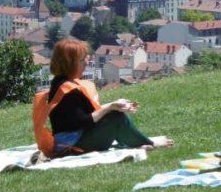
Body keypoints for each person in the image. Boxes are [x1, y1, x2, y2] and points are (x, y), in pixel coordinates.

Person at [31, 39, 172, 158]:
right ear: (69, 63)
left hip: (71, 141)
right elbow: (84, 121)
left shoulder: (61, 82)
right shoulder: (67, 89)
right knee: (116, 118)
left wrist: (115, 106)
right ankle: (147, 143)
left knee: (116, 114)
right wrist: (110, 107)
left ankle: (139, 142)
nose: (86, 64)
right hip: (73, 147)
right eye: (82, 61)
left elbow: (85, 115)